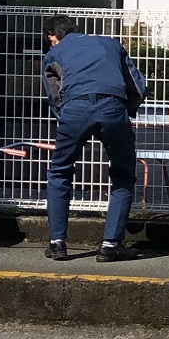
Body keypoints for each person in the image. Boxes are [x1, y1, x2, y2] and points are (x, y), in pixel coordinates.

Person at [41, 14, 148, 262]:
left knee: (59, 172)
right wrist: (125, 110)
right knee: (123, 174)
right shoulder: (111, 44)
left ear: (52, 37)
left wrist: (67, 117)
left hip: (75, 108)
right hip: (112, 107)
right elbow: (138, 87)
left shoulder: (54, 53)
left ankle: (57, 243)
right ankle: (111, 245)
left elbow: (54, 96)